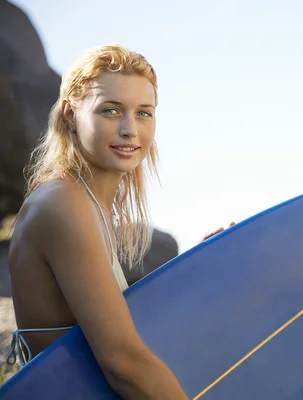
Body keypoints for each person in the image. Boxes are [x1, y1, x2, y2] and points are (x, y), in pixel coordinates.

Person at [6, 44, 228, 399]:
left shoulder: (87, 204)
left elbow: (118, 327)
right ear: (69, 115)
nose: (129, 129)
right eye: (110, 110)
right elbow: (123, 363)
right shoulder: (63, 203)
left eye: (144, 113)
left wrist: (193, 270)